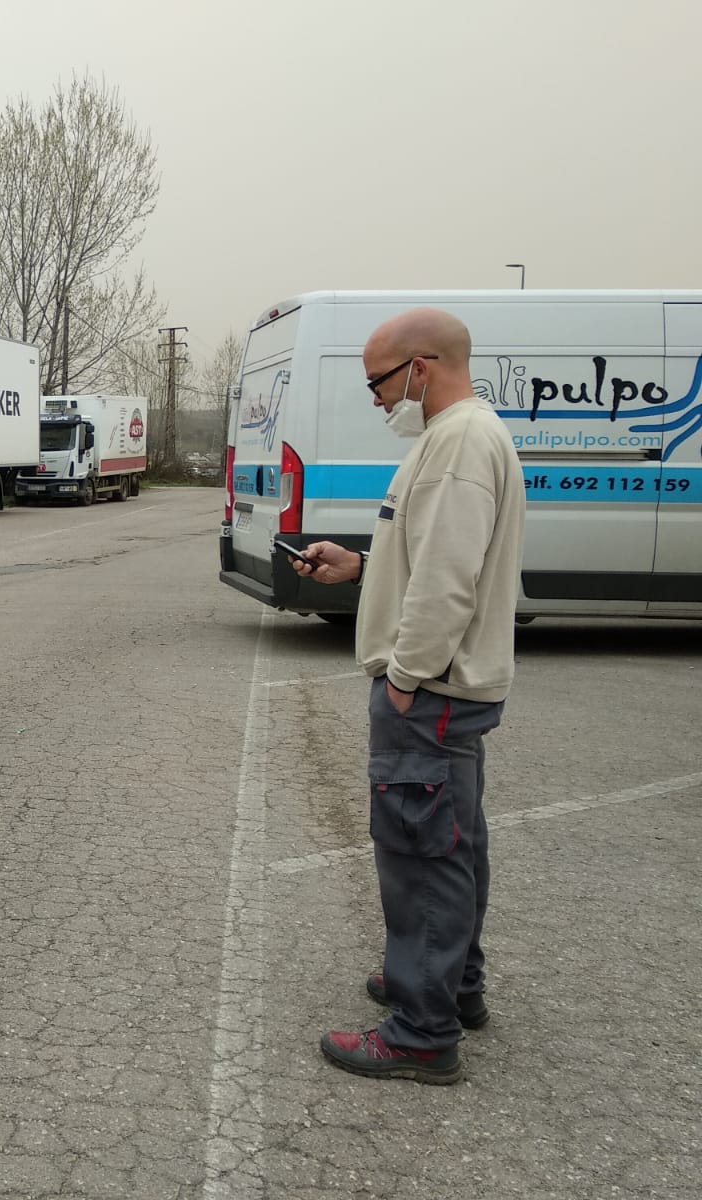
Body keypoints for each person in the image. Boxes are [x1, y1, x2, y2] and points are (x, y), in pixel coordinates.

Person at [291, 308, 526, 1085]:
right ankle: (452, 987)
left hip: (428, 690)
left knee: (421, 852)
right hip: (443, 688)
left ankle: (422, 1032)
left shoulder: (458, 443)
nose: (375, 398)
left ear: (420, 368)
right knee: (453, 840)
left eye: (378, 382)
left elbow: (447, 582)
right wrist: (360, 568)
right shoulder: (461, 436)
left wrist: (402, 678)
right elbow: (425, 554)